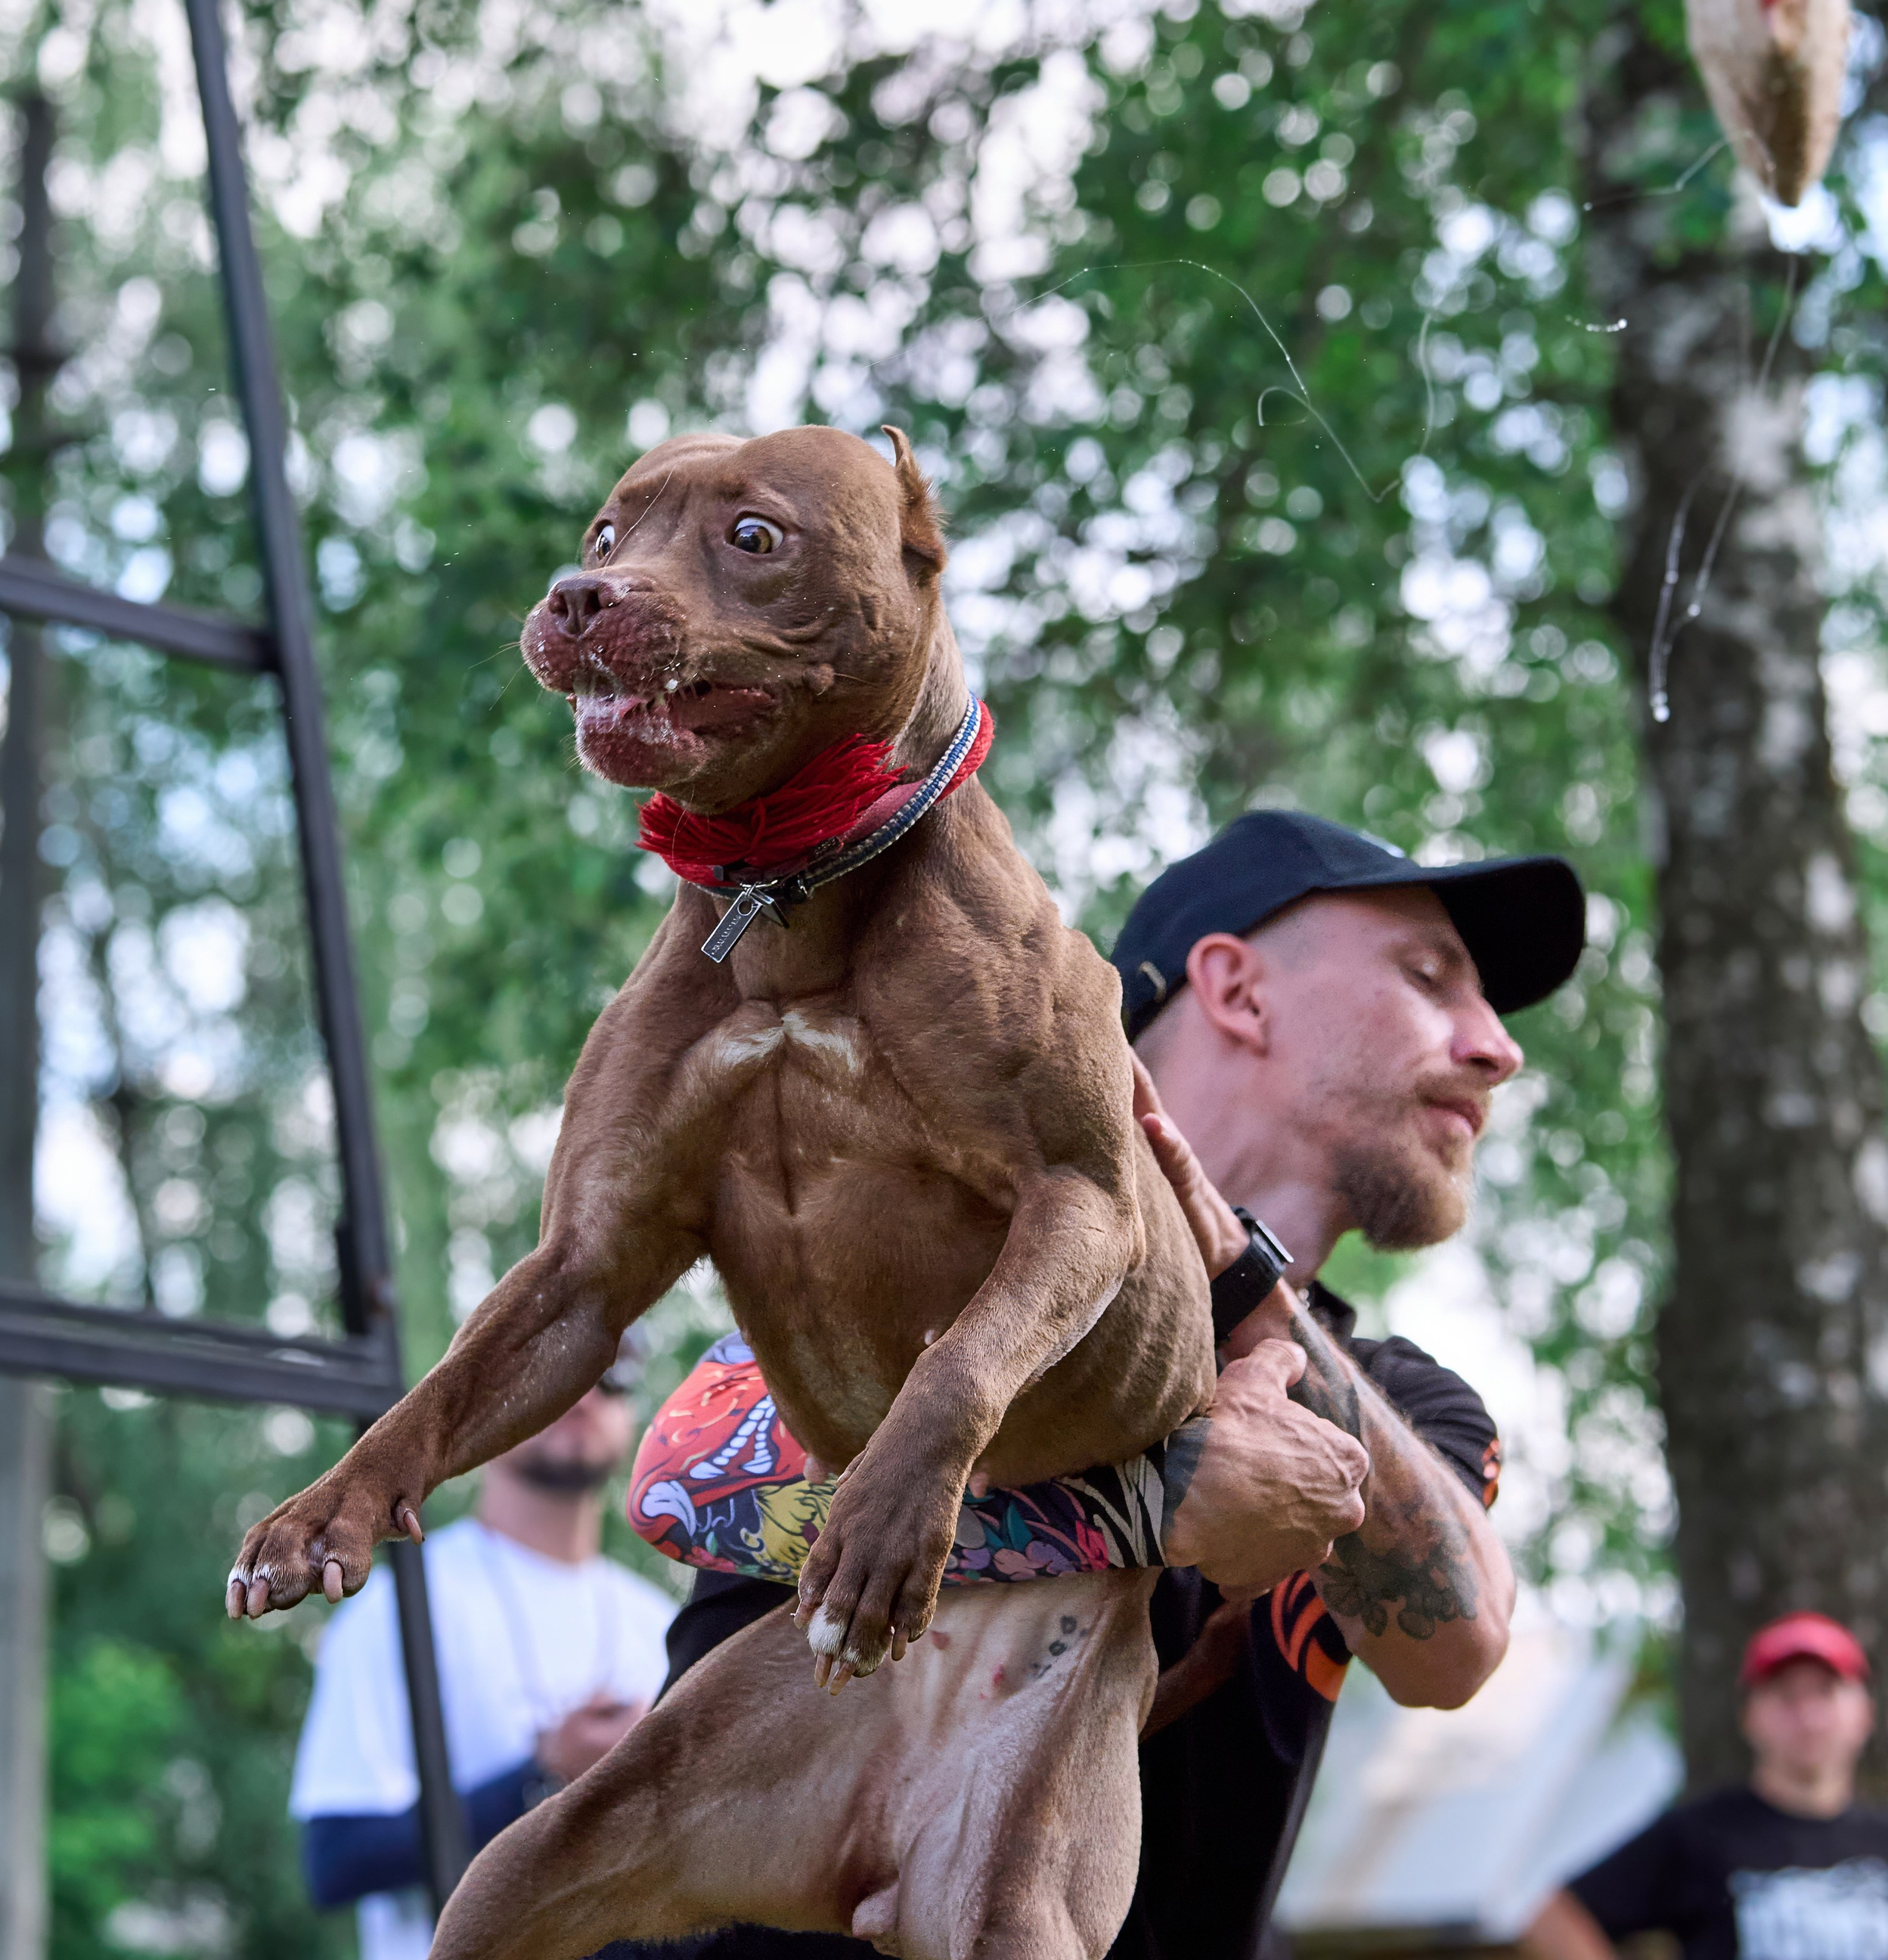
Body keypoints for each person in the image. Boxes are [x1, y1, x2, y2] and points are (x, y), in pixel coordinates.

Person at [612, 808, 1586, 1960]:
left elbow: (1457, 1642)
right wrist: (1157, 1498)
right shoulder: (955, 1238)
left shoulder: (1402, 1406)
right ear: (1238, 990)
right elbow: (692, 1481)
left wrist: (1238, 1288)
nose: (1498, 1046)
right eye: (1431, 977)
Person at [289, 1370, 674, 1960]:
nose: (584, 1387)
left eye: (615, 1371)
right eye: (555, 1362)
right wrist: (543, 1776)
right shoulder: (397, 1607)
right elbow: (337, 1858)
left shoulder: (664, 1622)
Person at [1525, 1614, 1888, 1960]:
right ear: (1749, 1717)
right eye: (1786, 1696)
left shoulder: (1880, 1839)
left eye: (1825, 1692)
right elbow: (1554, 1917)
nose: (1807, 1716)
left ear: (1865, 1714)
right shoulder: (1700, 1832)